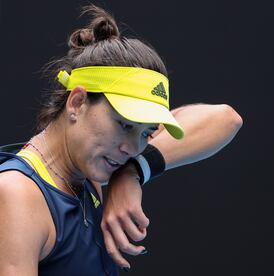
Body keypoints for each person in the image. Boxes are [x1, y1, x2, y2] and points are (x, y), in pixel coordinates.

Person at [0, 5, 242, 276]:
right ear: (77, 102)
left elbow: (226, 119)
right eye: (124, 124)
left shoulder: (83, 174)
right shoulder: (17, 195)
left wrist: (133, 171)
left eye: (146, 133)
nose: (132, 147)